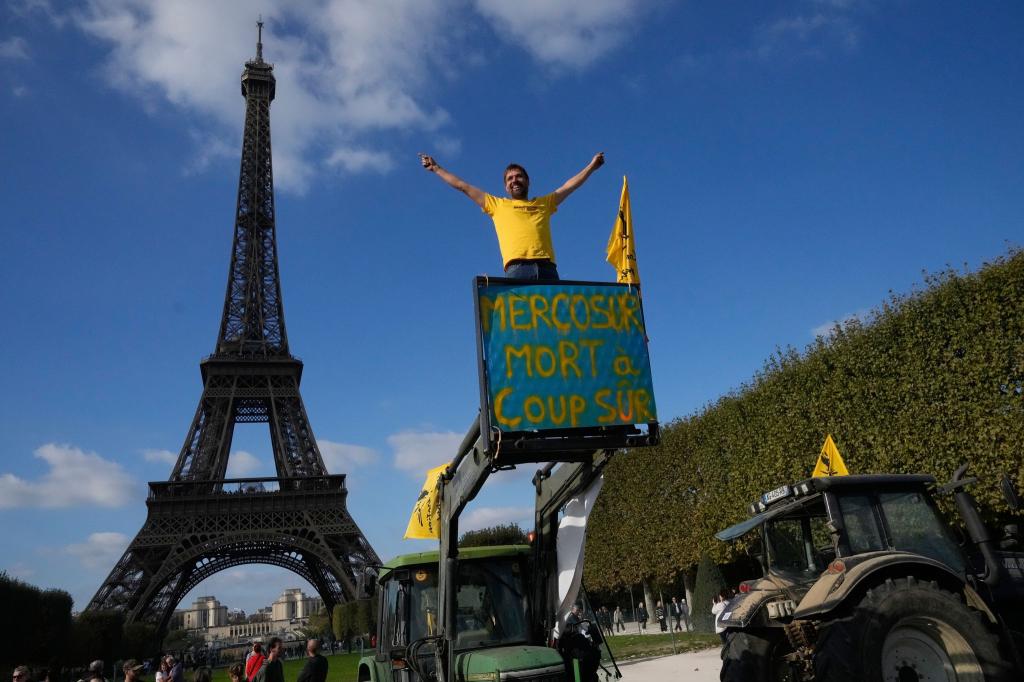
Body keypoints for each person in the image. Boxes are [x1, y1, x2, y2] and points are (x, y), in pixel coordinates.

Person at [418, 152, 605, 280]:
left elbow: (569, 186)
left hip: (548, 269)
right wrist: (436, 168)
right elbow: (462, 186)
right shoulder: (496, 205)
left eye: (518, 176)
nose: (514, 180)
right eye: (510, 178)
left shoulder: (544, 204)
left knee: (552, 328)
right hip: (517, 270)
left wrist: (592, 166)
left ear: (527, 181)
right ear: (506, 186)